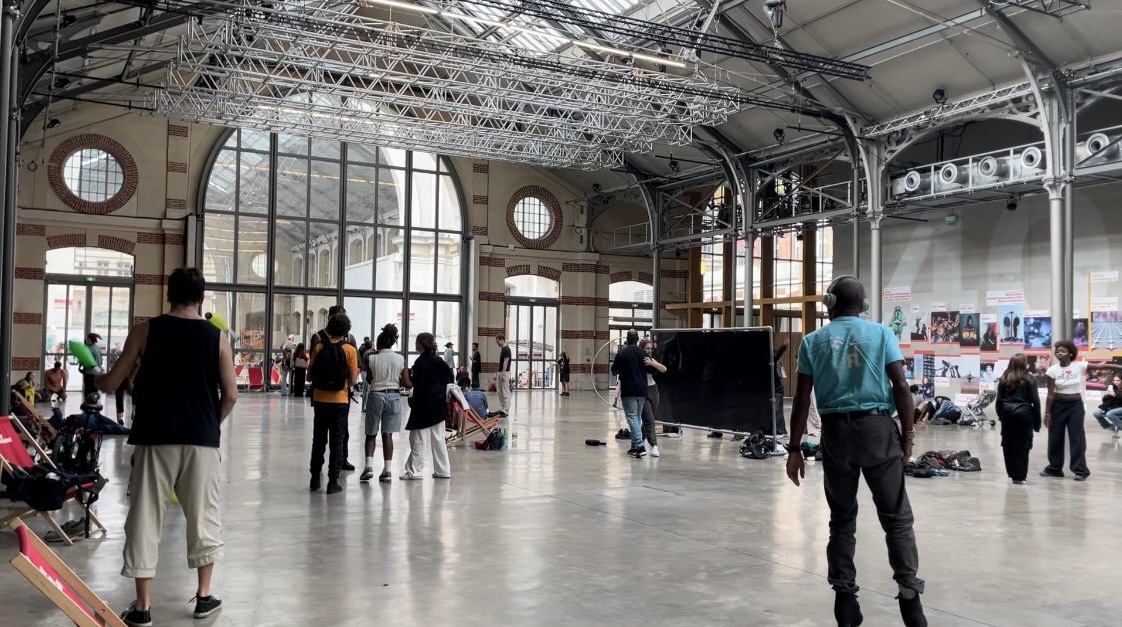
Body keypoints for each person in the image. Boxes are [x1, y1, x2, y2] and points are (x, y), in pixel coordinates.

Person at [95, 267, 238, 627]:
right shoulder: (217, 337)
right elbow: (231, 395)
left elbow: (113, 382)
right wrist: (210, 423)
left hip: (154, 437)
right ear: (201, 298)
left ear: (168, 295)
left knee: (145, 517)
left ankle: (143, 607)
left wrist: (98, 377)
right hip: (200, 441)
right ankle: (204, 598)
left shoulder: (146, 329)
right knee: (204, 517)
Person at [786, 275, 925, 627]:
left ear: (829, 305)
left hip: (835, 435)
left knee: (842, 521)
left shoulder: (812, 341)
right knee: (896, 519)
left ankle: (845, 601)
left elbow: (802, 399)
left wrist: (794, 448)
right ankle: (910, 599)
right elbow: (901, 387)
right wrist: (907, 437)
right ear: (862, 305)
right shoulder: (881, 334)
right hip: (878, 430)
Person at [308, 313, 361, 495]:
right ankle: (333, 482)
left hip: (320, 400)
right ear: (347, 330)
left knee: (319, 440)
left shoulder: (319, 347)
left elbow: (309, 375)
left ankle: (315, 478)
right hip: (340, 401)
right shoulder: (350, 350)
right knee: (337, 441)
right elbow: (353, 380)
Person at [361, 324, 410, 483]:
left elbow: (369, 379)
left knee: (371, 434)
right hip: (394, 396)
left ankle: (368, 467)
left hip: (376, 395)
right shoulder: (400, 358)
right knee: (387, 434)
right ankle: (387, 470)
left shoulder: (372, 358)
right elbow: (406, 382)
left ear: (379, 343)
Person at [402, 333, 453, 480]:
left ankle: (414, 471)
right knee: (439, 438)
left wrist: (412, 401)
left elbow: (417, 386)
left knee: (418, 438)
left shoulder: (420, 363)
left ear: (422, 344)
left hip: (423, 405)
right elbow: (450, 380)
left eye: (417, 342)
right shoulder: (440, 362)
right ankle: (443, 470)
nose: (415, 344)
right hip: (439, 404)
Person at [1040, 340, 1091, 480]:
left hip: (1075, 406)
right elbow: (1050, 394)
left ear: (1070, 353)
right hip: (1058, 406)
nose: (1059, 353)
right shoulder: (1052, 370)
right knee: (1055, 437)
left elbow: (1100, 366)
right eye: (1057, 351)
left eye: (1062, 350)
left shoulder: (1079, 366)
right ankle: (1055, 468)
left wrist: (1118, 367)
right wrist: (1047, 413)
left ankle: (1080, 470)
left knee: (1077, 438)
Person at [996, 354, 1041, 484]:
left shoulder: (1004, 378)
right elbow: (1036, 402)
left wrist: (1001, 416)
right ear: (1024, 363)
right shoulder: (1030, 379)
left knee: (1008, 444)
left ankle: (1012, 474)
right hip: (1024, 414)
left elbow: (999, 400)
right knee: (1023, 446)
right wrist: (1036, 422)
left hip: (1007, 413)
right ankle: (1021, 476)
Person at [611, 330, 649, 459]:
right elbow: (650, 369)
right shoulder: (643, 353)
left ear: (627, 339)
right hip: (642, 390)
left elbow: (614, 371)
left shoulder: (622, 354)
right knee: (637, 418)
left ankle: (640, 446)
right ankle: (634, 447)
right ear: (637, 339)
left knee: (632, 418)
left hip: (629, 390)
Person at [637, 339, 666, 457]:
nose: (649, 351)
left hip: (653, 390)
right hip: (642, 392)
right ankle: (654, 445)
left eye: (650, 349)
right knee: (650, 420)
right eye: (647, 348)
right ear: (641, 349)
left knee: (648, 420)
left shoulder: (651, 360)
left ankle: (638, 444)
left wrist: (652, 363)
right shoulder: (638, 361)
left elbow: (664, 369)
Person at [81, 332, 103, 397]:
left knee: (88, 390)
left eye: (86, 339)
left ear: (89, 340)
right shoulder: (97, 348)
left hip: (89, 373)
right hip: (97, 372)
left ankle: (88, 405)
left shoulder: (88, 349)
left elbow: (86, 362)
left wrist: (82, 368)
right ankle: (94, 404)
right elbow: (100, 361)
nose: (85, 340)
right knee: (94, 390)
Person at [494, 335, 512, 415]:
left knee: (505, 393)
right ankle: (502, 409)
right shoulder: (503, 349)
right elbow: (500, 363)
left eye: (498, 341)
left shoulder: (507, 349)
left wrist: (503, 373)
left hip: (505, 373)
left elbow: (506, 361)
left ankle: (506, 410)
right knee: (500, 392)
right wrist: (497, 373)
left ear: (502, 340)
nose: (497, 343)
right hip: (501, 372)